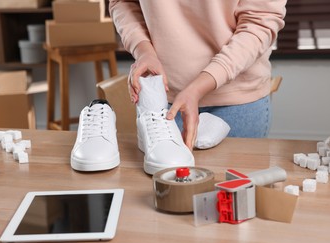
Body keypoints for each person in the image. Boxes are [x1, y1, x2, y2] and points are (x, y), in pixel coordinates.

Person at [109, 0, 287, 150]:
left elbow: (260, 22)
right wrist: (142, 49)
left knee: (235, 190)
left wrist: (198, 87)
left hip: (235, 103)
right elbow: (123, 2)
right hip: (164, 102)